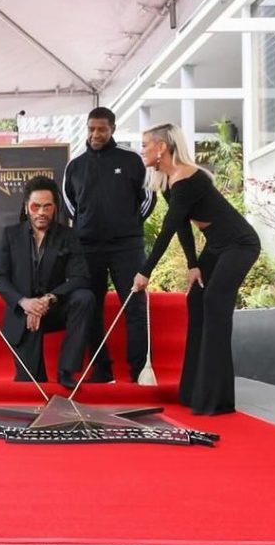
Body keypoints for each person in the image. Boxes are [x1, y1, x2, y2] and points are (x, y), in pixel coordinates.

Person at [132, 124, 260, 415]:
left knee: (214, 301)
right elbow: (180, 227)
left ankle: (217, 398)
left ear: (161, 148)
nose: (142, 150)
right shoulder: (167, 182)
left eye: (145, 144)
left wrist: (145, 271)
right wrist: (192, 264)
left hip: (240, 244)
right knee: (196, 299)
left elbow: (165, 230)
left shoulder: (190, 178)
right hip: (217, 245)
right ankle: (193, 390)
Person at [62, 106, 156, 383]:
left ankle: (139, 371)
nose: (95, 134)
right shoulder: (75, 165)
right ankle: (102, 370)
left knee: (135, 307)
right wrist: (85, 226)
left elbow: (148, 198)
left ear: (112, 129)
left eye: (101, 129)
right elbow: (69, 204)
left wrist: (128, 224)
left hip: (127, 247)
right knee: (91, 307)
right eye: (91, 129)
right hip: (88, 247)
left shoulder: (132, 160)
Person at [0, 176, 93, 390]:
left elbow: (80, 277)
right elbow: (0, 278)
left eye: (47, 207)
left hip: (54, 309)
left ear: (55, 208)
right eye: (36, 206)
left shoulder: (68, 235)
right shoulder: (10, 235)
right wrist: (25, 303)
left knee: (85, 297)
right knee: (31, 386)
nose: (41, 212)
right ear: (27, 207)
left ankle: (66, 370)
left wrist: (48, 299)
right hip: (23, 314)